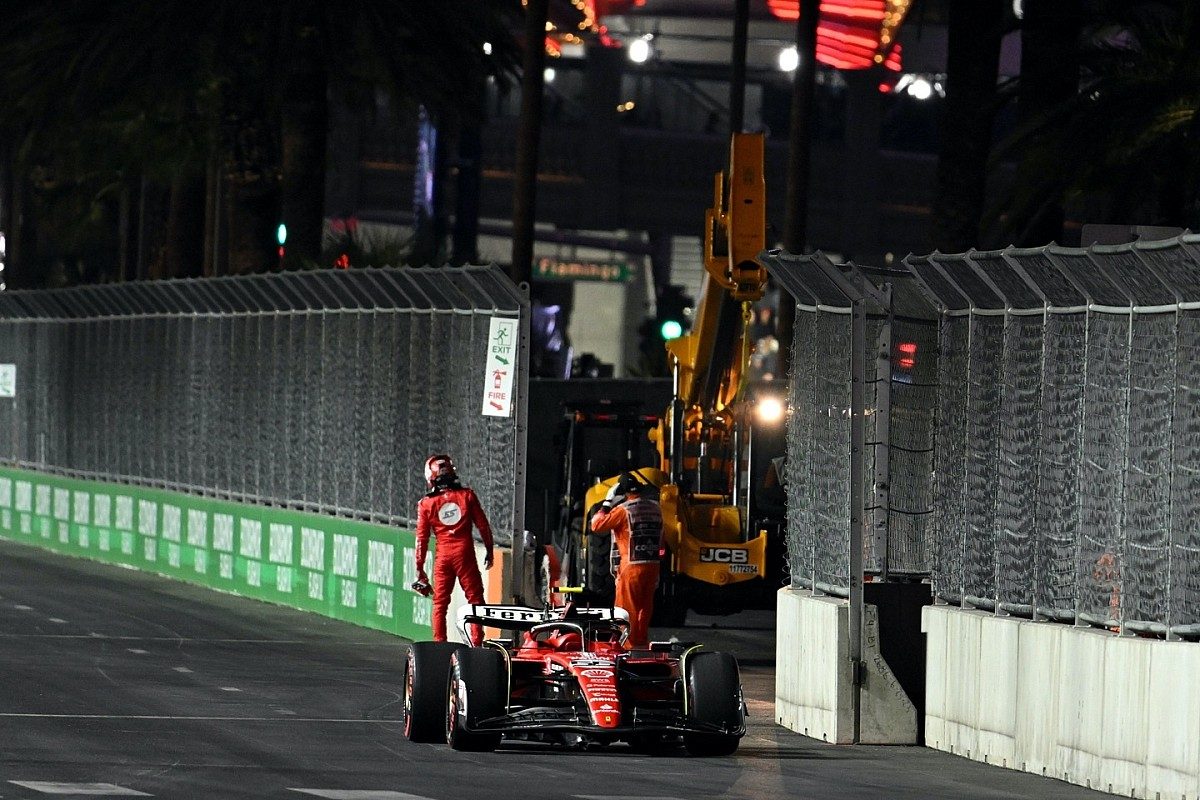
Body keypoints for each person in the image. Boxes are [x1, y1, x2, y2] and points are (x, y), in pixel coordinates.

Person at [414, 454, 494, 646]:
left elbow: (421, 539)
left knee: (440, 603)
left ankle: (439, 645)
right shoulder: (467, 495)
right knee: (475, 599)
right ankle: (476, 643)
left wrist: (419, 567)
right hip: (464, 553)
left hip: (443, 556)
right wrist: (489, 549)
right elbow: (483, 526)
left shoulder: (426, 503)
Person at [589, 473, 664, 650]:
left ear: (622, 493)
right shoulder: (656, 508)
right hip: (652, 565)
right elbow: (661, 541)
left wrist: (607, 502)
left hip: (631, 567)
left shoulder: (623, 510)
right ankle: (641, 643)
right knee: (644, 608)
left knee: (625, 610)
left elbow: (596, 525)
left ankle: (627, 646)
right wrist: (658, 559)